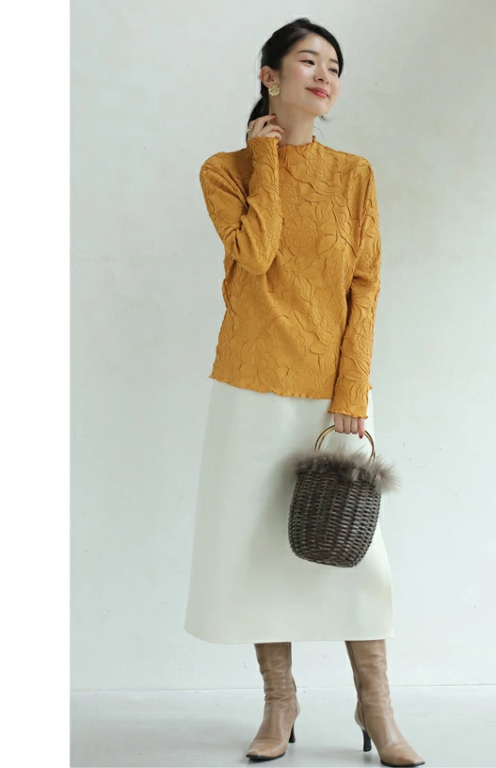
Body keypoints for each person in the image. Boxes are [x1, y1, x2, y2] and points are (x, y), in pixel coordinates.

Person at [183, 16, 425, 768]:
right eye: (309, 61)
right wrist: (264, 155)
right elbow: (254, 256)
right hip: (250, 386)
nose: (325, 77)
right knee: (259, 546)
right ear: (269, 76)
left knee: (359, 552)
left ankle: (376, 705)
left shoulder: (354, 175)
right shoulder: (225, 170)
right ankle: (279, 701)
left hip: (332, 392)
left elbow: (366, 286)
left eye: (335, 67)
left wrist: (352, 387)